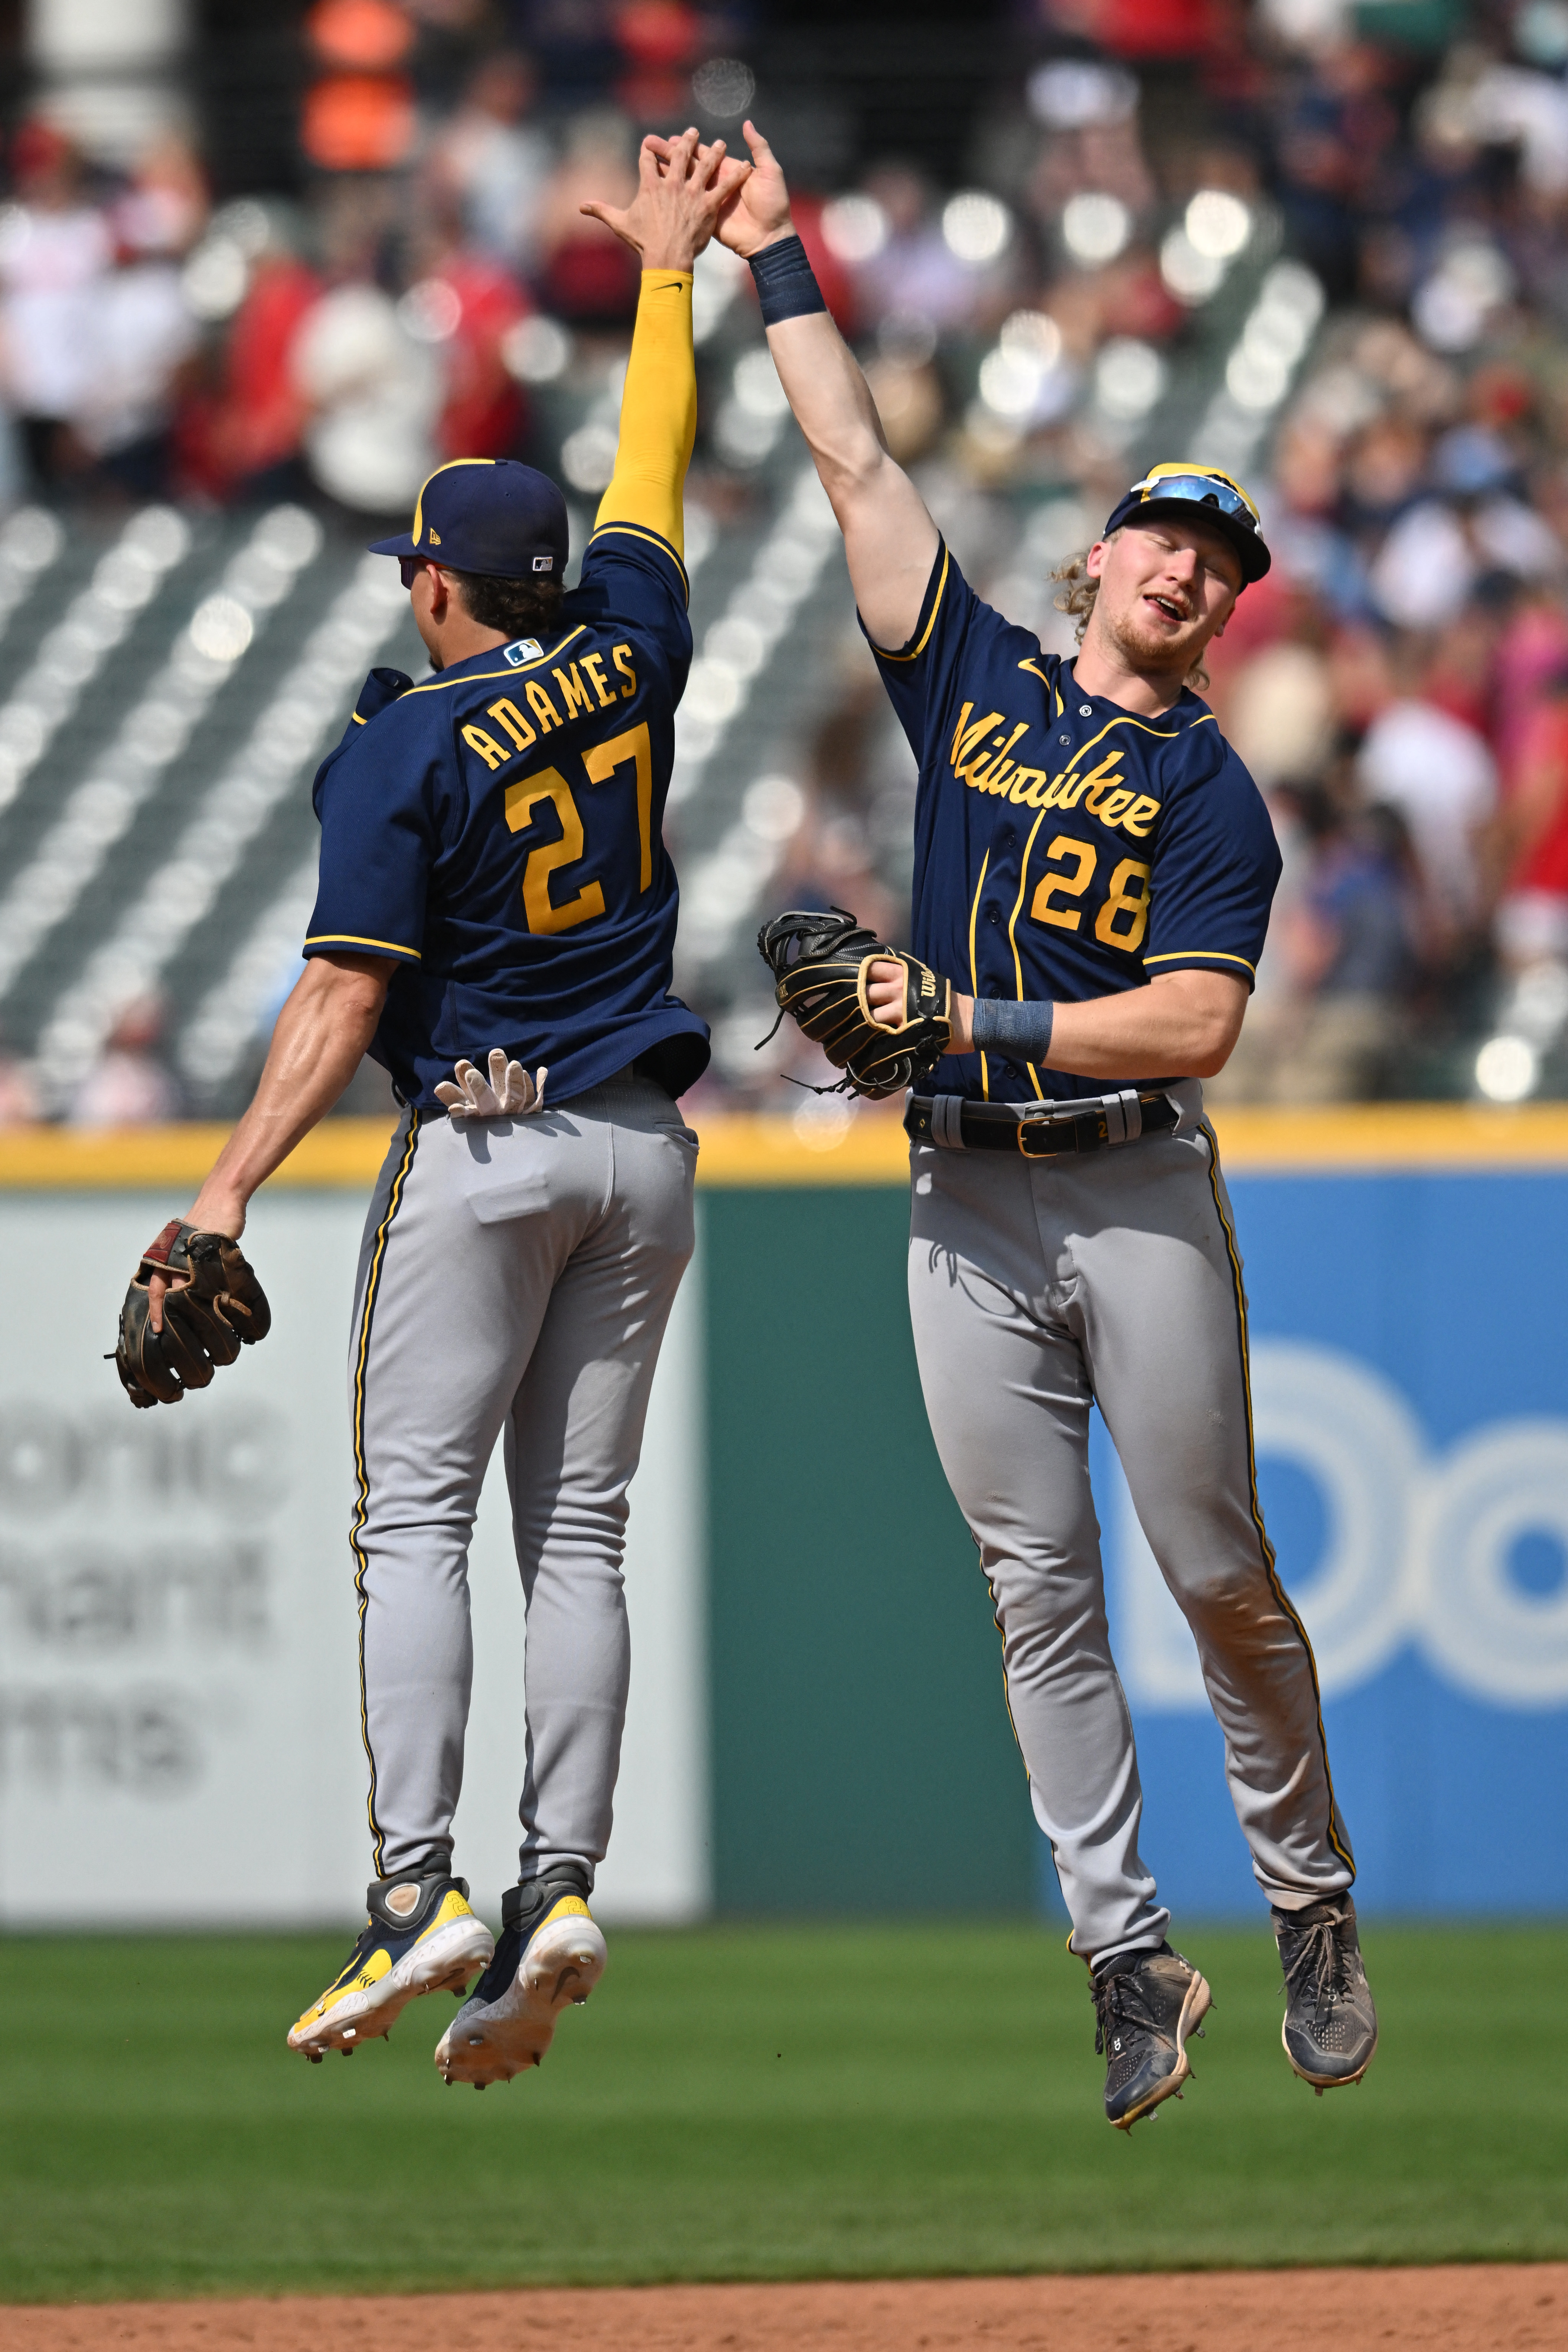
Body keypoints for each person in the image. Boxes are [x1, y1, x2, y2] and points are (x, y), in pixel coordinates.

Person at [711, 124, 1378, 2130]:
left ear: (1228, 611)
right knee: (1033, 1587)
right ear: (1096, 556)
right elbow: (856, 464)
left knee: (1218, 1571)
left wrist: (965, 1009)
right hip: (961, 1202)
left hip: (1131, 1195)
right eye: (1164, 534)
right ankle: (1122, 1955)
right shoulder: (977, 679)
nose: (1187, 564)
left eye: (1222, 558)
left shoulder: (1215, 798)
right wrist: (776, 258)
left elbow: (1198, 1023)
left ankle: (1312, 1901)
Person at [137, 129, 742, 2088]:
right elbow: (649, 470)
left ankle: (422, 1896)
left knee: (415, 1515)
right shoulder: (632, 654)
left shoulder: (403, 748)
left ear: (437, 585)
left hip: (482, 1139)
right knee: (580, 1529)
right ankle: (564, 1879)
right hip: (644, 1149)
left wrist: (227, 1187)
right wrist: (670, 280)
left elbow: (340, 994)